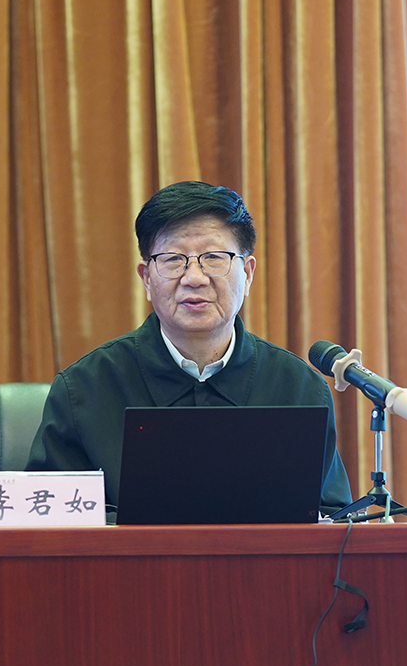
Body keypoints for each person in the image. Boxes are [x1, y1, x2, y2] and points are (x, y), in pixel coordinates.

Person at [26, 180, 353, 515]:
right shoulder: (84, 389)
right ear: (146, 278)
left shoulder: (298, 388)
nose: (194, 277)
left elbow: (333, 519)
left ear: (247, 273)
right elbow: (47, 521)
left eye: (213, 258)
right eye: (173, 259)